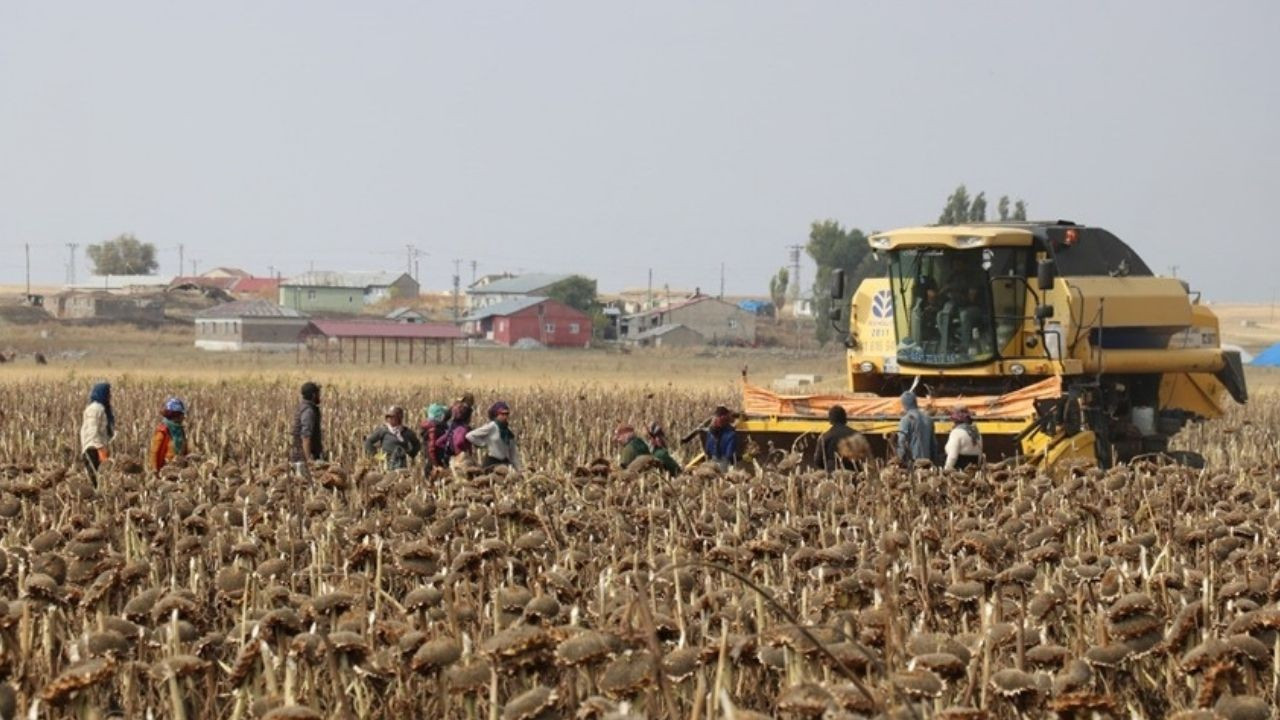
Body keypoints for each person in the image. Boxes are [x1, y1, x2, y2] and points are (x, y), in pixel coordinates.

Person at [467, 401, 520, 470]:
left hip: (504, 464)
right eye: (502, 414)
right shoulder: (492, 426)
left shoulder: (508, 432)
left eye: (507, 414)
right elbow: (470, 436)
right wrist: (484, 445)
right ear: (496, 414)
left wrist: (519, 469)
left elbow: (513, 455)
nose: (505, 416)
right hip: (492, 462)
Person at [365, 406, 422, 470]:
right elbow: (368, 442)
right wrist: (377, 455)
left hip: (402, 464)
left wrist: (411, 455)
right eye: (388, 417)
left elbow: (417, 444)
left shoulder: (406, 432)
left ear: (399, 418)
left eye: (392, 417)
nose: (389, 419)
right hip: (387, 464)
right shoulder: (383, 430)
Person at [80, 382, 114, 482]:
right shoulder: (95, 409)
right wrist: (100, 449)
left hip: (97, 447)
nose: (110, 396)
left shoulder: (100, 408)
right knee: (94, 477)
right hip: (93, 448)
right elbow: (92, 430)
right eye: (108, 394)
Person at [818, 405, 867, 472]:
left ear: (830, 420)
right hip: (853, 474)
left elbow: (818, 460)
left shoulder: (825, 437)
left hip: (832, 476)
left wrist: (829, 467)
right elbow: (864, 457)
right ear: (845, 418)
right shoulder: (855, 434)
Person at [291, 381, 323, 477]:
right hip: (302, 458)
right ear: (313, 395)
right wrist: (308, 460)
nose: (319, 396)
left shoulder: (304, 407)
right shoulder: (308, 411)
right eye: (318, 394)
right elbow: (306, 436)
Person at [149, 397, 189, 474]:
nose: (183, 417)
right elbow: (154, 452)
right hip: (166, 470)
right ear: (176, 415)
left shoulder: (180, 430)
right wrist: (154, 470)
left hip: (180, 469)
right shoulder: (163, 431)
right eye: (182, 415)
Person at [897, 391, 937, 465]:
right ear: (916, 402)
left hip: (913, 463)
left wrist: (900, 460)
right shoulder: (928, 419)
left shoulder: (906, 419)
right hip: (927, 462)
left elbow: (902, 441)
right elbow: (934, 444)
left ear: (904, 404)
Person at [944, 406, 983, 470]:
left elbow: (953, 456)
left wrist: (946, 469)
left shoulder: (956, 433)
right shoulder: (977, 434)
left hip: (959, 472)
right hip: (974, 471)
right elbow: (980, 457)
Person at [705, 406, 738, 471]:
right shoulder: (731, 435)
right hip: (723, 462)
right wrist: (744, 457)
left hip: (712, 461)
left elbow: (707, 450)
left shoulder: (710, 432)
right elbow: (730, 455)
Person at [420, 403, 449, 472]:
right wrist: (436, 465)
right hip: (435, 464)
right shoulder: (434, 430)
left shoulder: (433, 427)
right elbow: (431, 448)